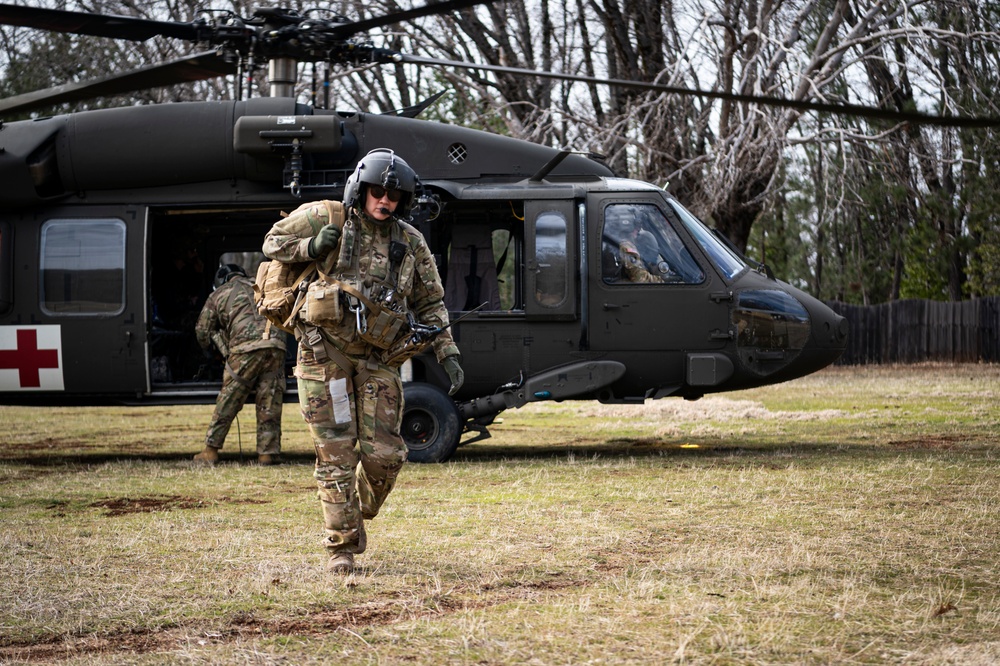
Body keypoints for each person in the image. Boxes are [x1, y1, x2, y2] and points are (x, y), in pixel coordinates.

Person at [262, 148, 464, 574]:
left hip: (379, 358)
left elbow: (431, 303)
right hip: (323, 353)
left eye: (393, 195)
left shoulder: (410, 242)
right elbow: (272, 242)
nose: (384, 200)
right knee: (335, 452)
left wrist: (448, 353)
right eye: (377, 191)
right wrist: (311, 245)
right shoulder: (326, 215)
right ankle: (342, 548)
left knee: (385, 457)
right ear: (362, 188)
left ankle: (355, 514)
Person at [192, 264, 290, 465]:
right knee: (269, 400)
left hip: (244, 349)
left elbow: (202, 331)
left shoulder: (220, 293)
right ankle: (267, 453)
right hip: (275, 345)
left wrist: (212, 351)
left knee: (229, 400)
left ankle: (210, 450)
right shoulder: (261, 286)